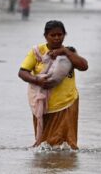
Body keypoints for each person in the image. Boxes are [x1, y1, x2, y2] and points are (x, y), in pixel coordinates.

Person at [18, 20, 88, 150]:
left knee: (65, 146)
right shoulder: (37, 52)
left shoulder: (69, 52)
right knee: (44, 146)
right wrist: (37, 80)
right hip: (42, 104)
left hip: (67, 103)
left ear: (64, 35)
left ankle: (61, 167)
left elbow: (84, 66)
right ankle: (47, 167)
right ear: (45, 36)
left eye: (60, 35)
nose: (57, 38)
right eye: (53, 35)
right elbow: (22, 72)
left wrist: (65, 52)